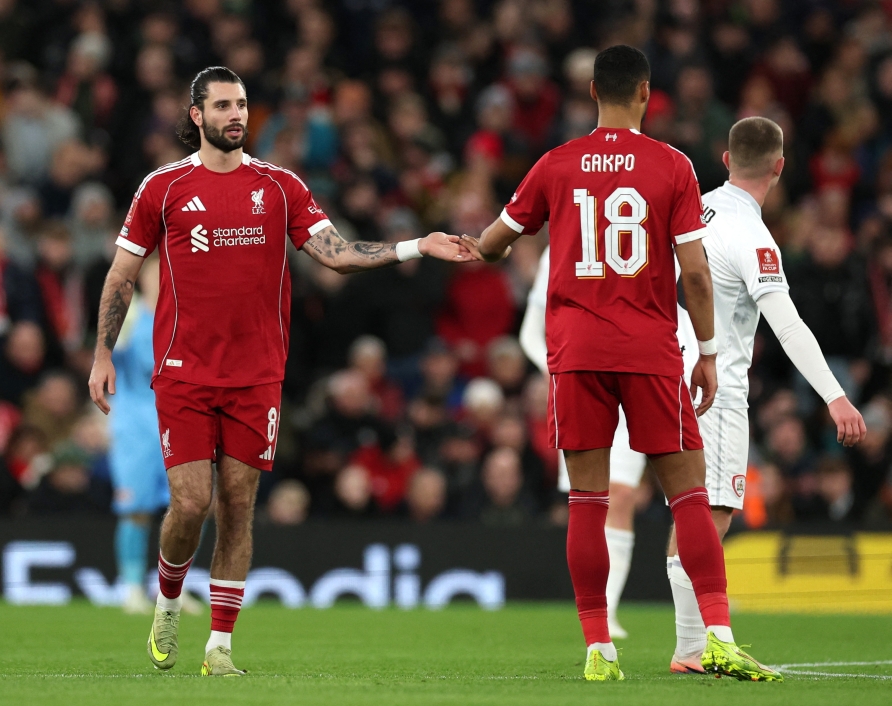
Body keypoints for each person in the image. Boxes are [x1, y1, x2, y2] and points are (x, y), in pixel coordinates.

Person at [87, 66, 474, 677]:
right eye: (222, 106)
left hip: (256, 376)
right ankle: (166, 600)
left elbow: (337, 255)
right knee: (190, 504)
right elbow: (121, 275)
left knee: (238, 507)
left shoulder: (280, 187)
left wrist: (412, 246)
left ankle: (219, 648)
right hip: (184, 373)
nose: (235, 115)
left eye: (241, 104)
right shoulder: (161, 188)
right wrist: (104, 353)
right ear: (196, 116)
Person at [460, 46, 779, 681]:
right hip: (649, 349)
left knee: (588, 500)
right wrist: (709, 352)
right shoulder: (671, 165)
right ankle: (715, 635)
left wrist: (464, 245)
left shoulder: (555, 164)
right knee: (689, 495)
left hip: (576, 353)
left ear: (590, 91)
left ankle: (599, 649)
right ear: (644, 92)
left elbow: (495, 244)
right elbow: (692, 271)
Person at [665, 116, 865, 673]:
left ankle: (690, 647)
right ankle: (697, 648)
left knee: (690, 511)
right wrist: (835, 396)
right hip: (715, 387)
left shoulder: (690, 209)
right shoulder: (755, 237)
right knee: (713, 512)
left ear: (726, 160)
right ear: (780, 166)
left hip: (662, 377)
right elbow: (789, 325)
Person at [520, 246, 698, 639]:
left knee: (622, 497)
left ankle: (608, 612)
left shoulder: (647, 232)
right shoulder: (560, 246)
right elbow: (532, 330)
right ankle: (595, 614)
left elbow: (677, 311)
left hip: (642, 375)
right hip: (582, 378)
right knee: (592, 499)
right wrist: (557, 370)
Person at [107, 256, 171, 614]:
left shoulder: (184, 318)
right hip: (134, 427)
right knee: (135, 509)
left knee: (191, 506)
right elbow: (105, 354)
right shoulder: (131, 319)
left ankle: (170, 589)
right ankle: (132, 587)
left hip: (177, 420)